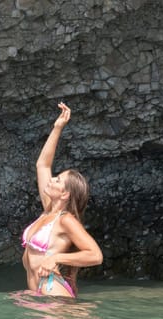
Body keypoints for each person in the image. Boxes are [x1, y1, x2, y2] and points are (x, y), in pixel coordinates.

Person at [21, 102, 103, 298]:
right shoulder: (48, 210)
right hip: (39, 296)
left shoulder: (65, 220)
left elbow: (96, 256)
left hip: (53, 293)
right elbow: (42, 165)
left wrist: (57, 258)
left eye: (58, 180)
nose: (52, 179)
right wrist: (57, 128)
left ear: (65, 194)